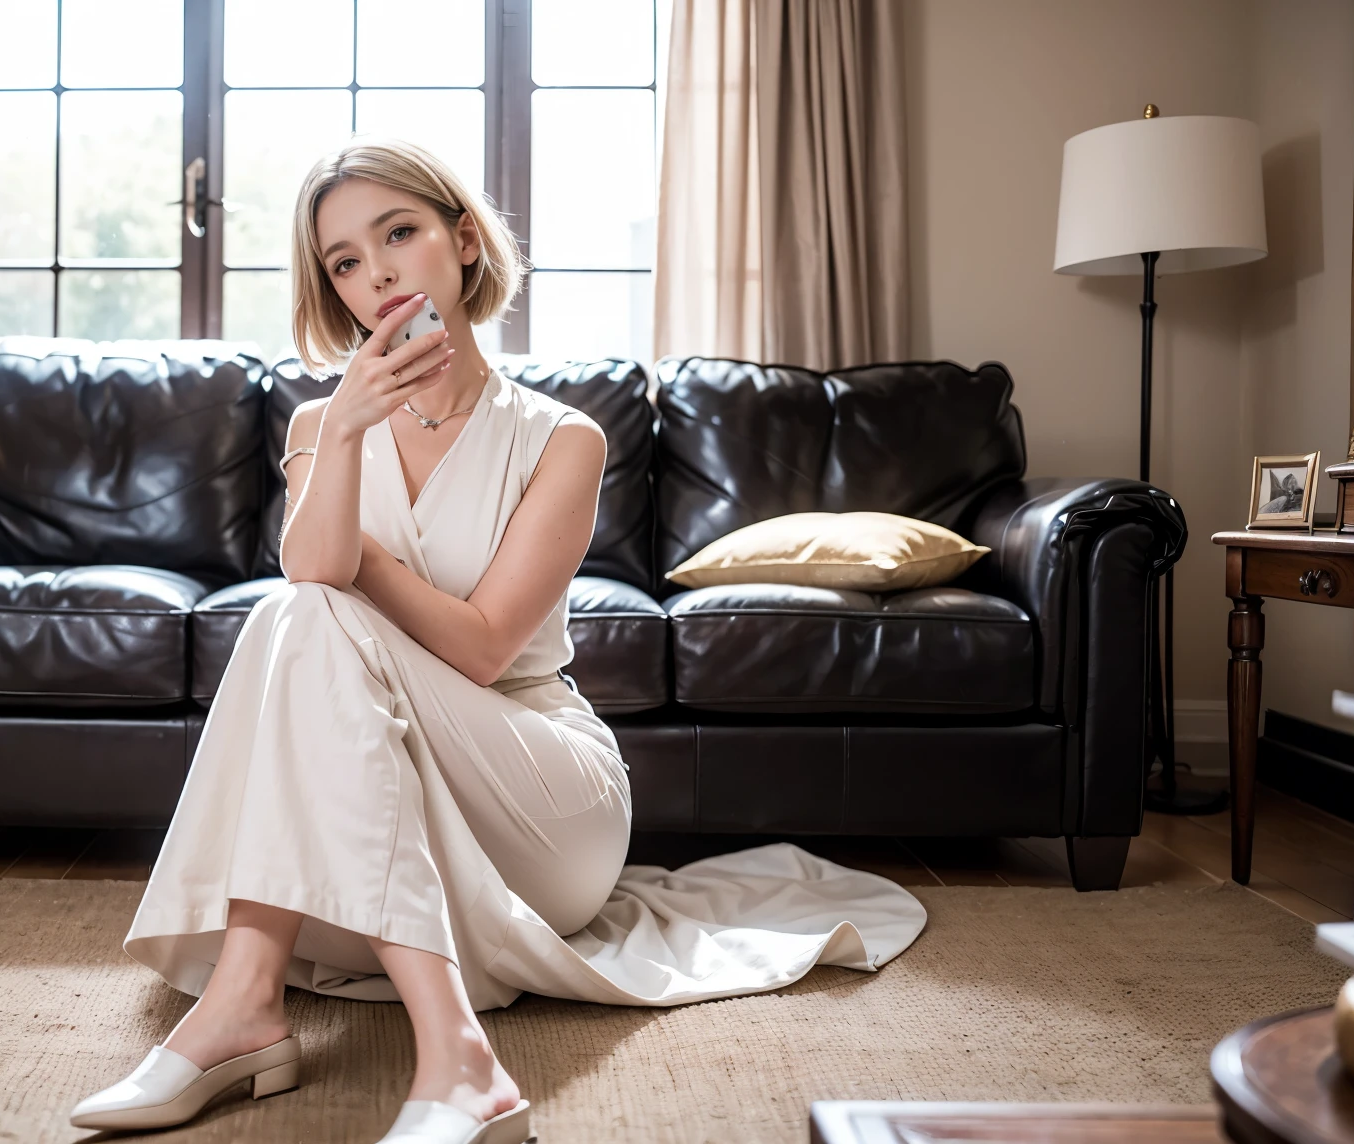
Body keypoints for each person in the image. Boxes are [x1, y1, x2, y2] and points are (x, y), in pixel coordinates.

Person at [67, 138, 928, 1144]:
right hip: (379, 778)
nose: (377, 271)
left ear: (464, 241)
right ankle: (358, 1032)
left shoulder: (563, 436)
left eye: (400, 232)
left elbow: (479, 649)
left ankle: (317, 1029)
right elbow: (310, 575)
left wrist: (360, 566)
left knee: (311, 610)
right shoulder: (319, 424)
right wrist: (343, 434)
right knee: (299, 613)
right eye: (345, 260)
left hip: (540, 796)